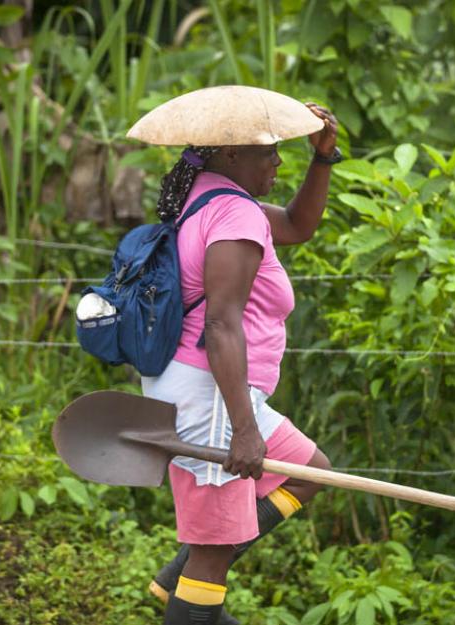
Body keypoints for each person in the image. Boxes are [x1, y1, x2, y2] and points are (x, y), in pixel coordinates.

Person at [139, 102, 340, 625]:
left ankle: (177, 579)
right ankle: (191, 591)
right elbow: (221, 324)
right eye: (268, 151)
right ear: (231, 151)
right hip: (212, 395)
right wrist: (244, 433)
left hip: (213, 389)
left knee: (309, 472)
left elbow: (297, 225)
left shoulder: (210, 194)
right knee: (212, 558)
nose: (278, 162)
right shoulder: (234, 213)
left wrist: (324, 159)